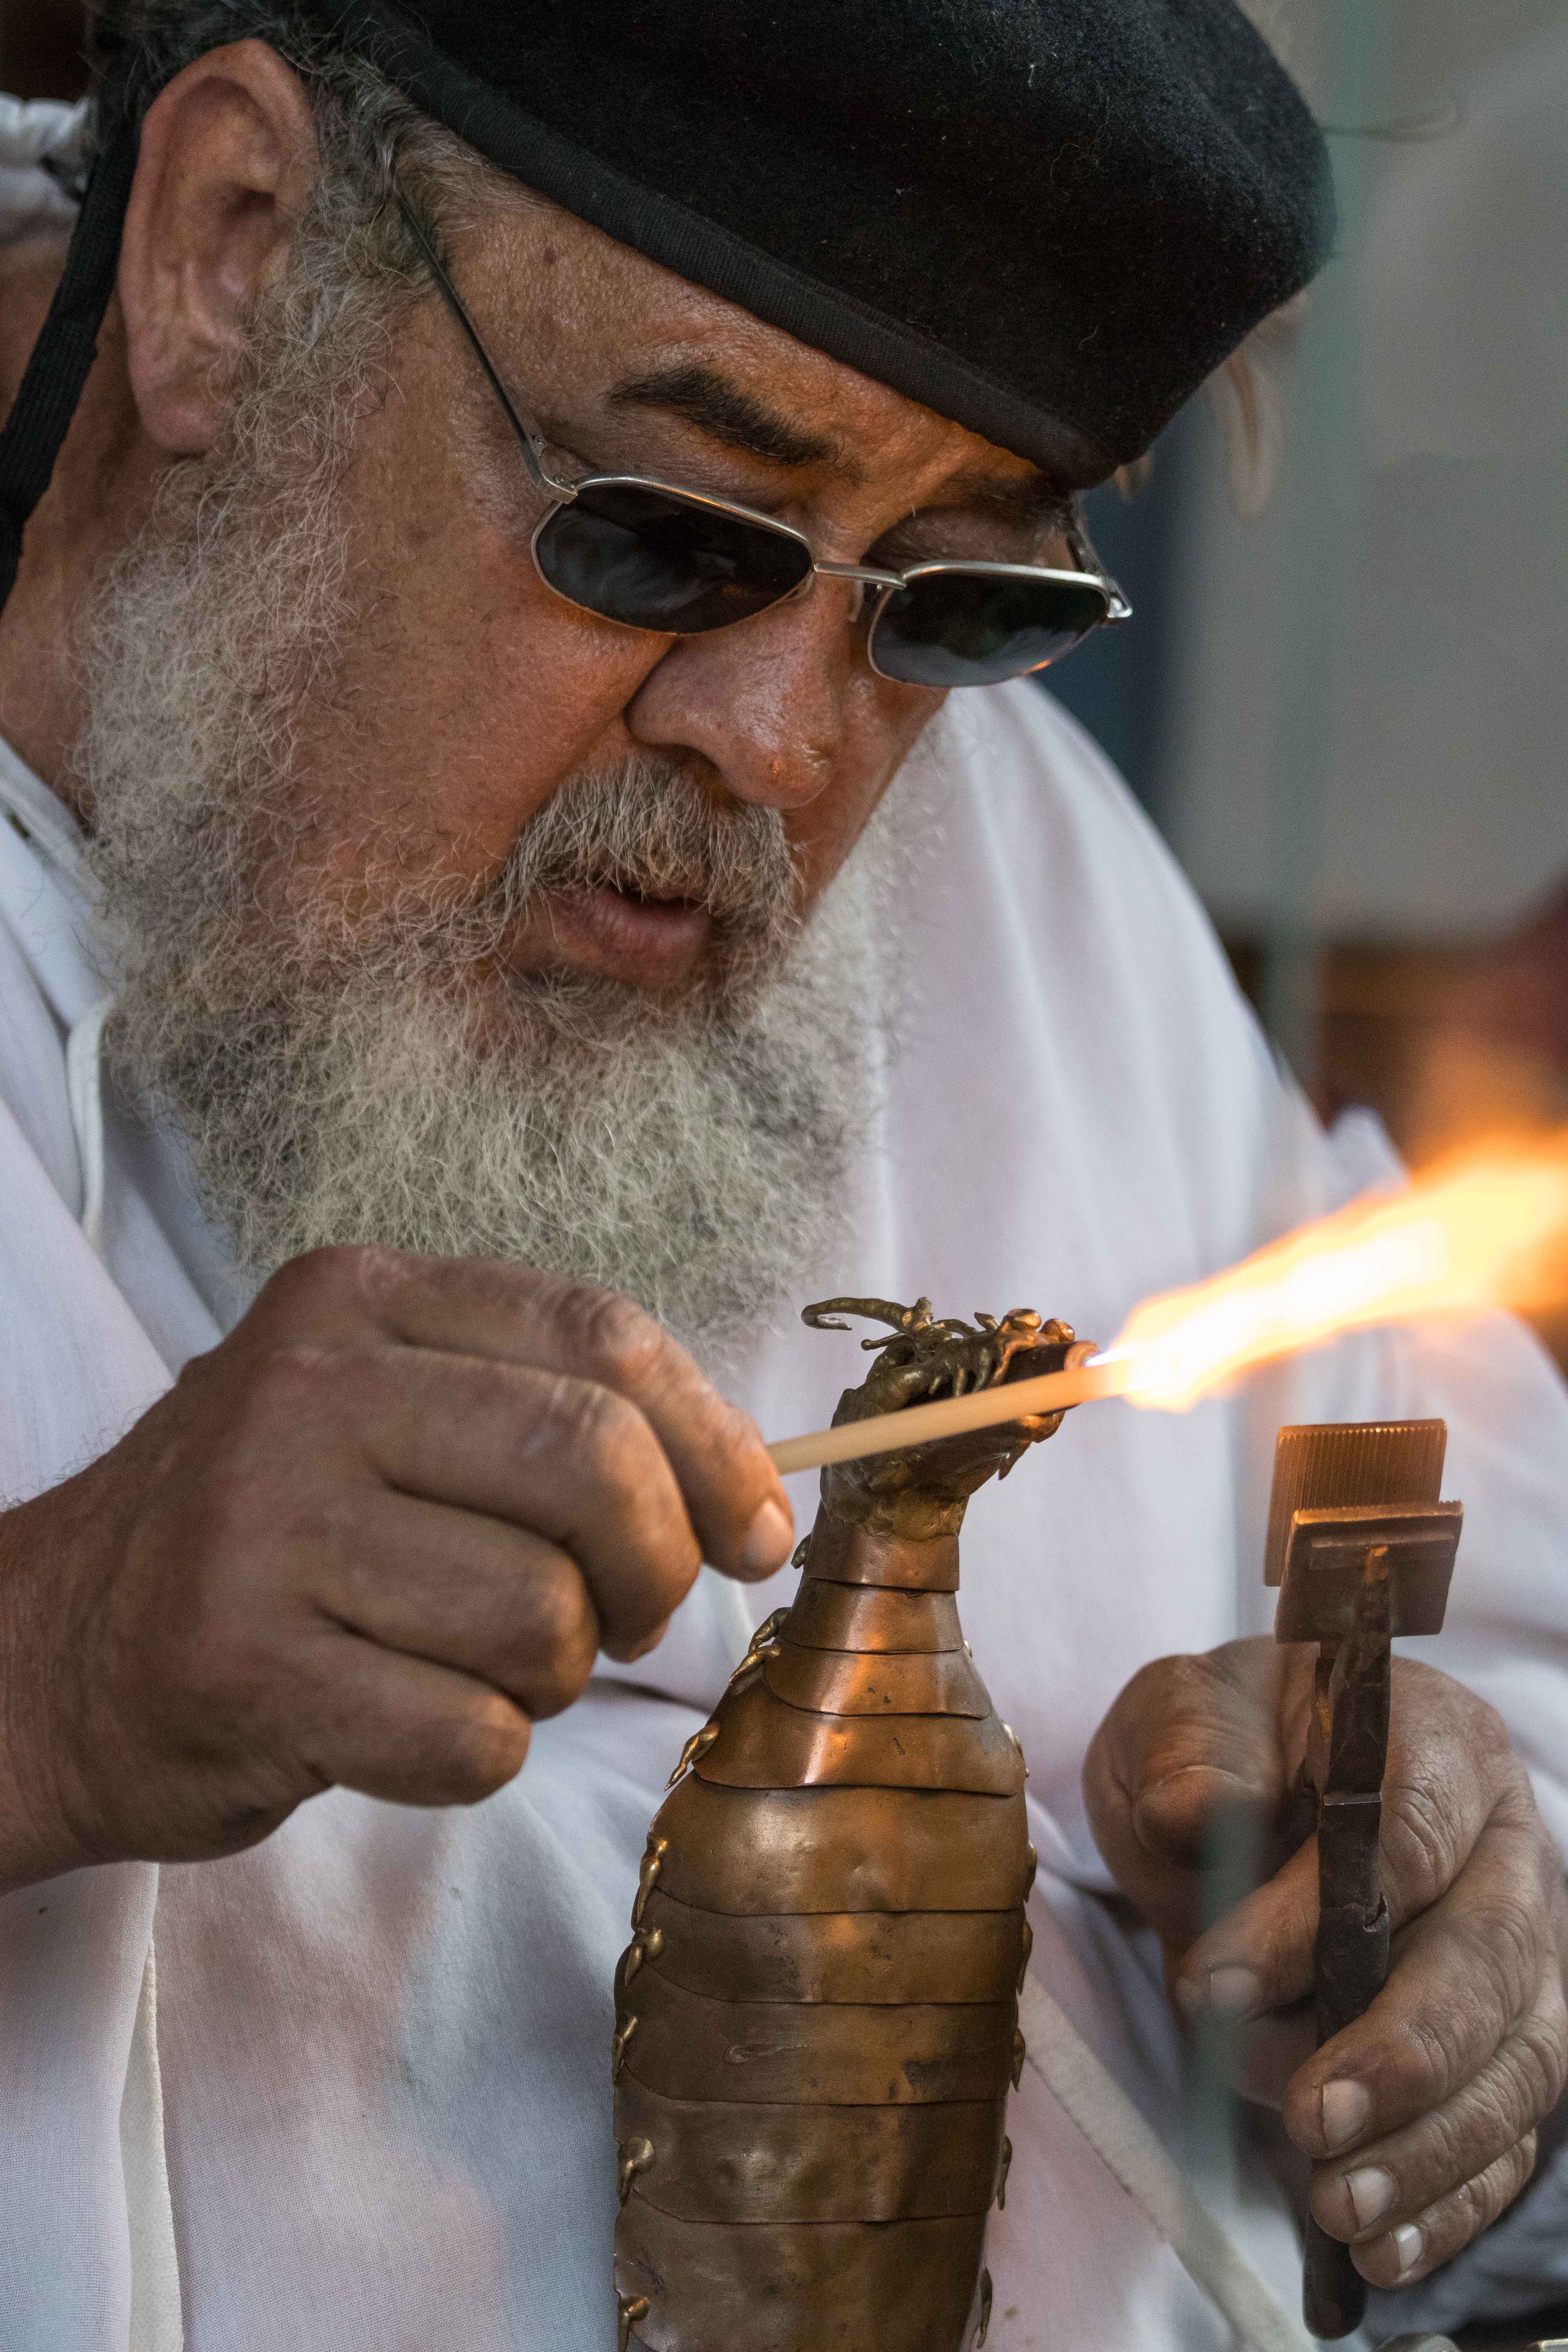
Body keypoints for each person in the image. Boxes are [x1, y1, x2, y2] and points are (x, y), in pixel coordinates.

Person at [0, 6, 1564, 2348]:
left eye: (953, 604)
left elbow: (1508, 1638)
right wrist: (50, 1668)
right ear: (229, 256)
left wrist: (1464, 1906)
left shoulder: (1004, 862)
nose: (781, 749)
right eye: (661, 532)